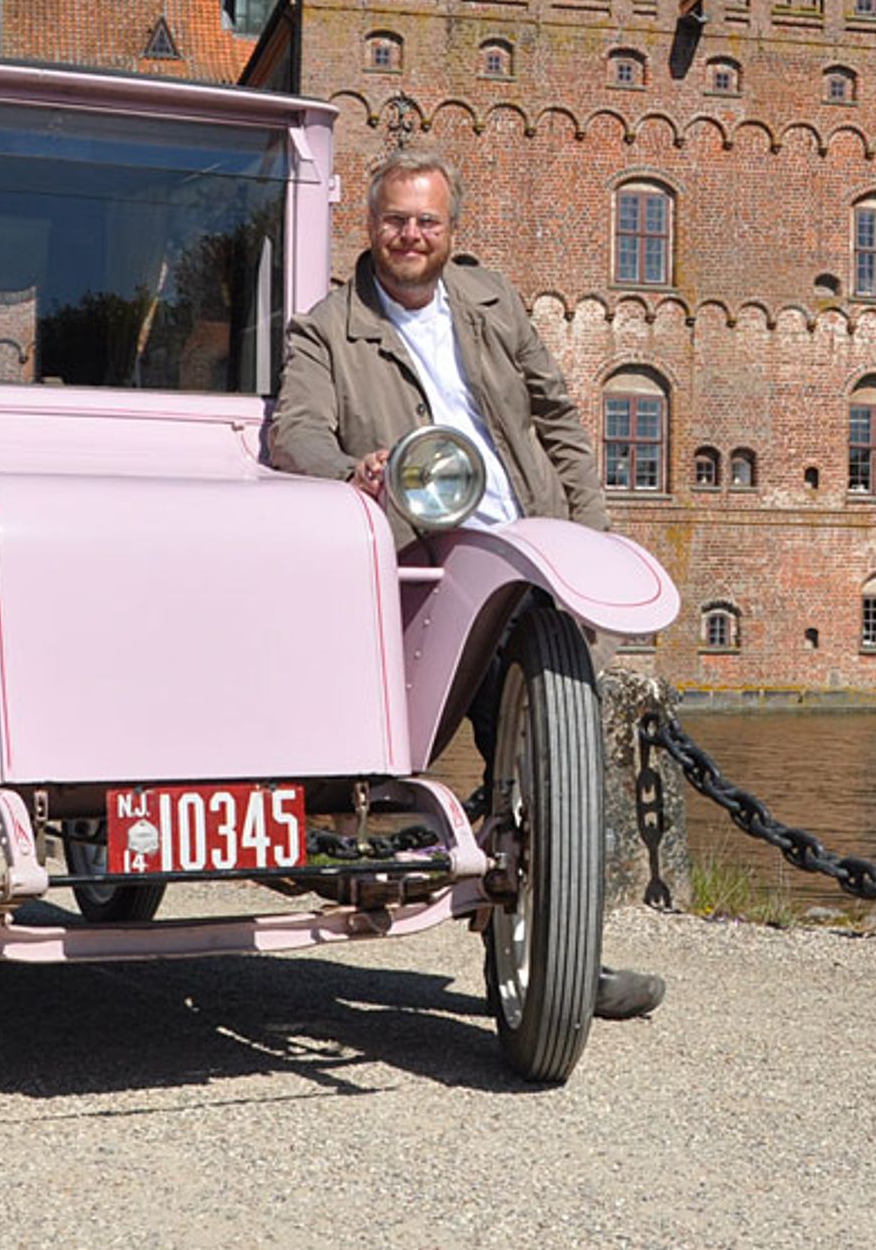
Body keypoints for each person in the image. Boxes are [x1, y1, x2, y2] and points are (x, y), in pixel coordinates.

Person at [270, 145, 664, 1021]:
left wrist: (587, 542)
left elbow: (555, 415)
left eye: (426, 221)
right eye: (394, 220)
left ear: (451, 231)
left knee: (554, 763)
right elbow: (290, 432)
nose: (409, 235)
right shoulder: (325, 329)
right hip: (426, 556)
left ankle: (560, 957)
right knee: (504, 745)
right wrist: (351, 471)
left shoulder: (491, 301)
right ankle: (538, 952)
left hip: (524, 546)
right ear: (368, 228)